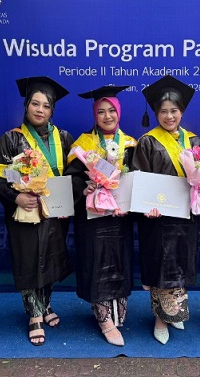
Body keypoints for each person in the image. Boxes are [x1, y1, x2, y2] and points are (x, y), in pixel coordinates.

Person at [0, 76, 73, 346]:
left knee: (51, 259)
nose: (40, 110)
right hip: (25, 213)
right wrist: (17, 197)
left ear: (52, 110)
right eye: (35, 104)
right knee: (28, 260)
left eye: (46, 106)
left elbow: (74, 174)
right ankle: (34, 315)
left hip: (54, 213)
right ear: (26, 106)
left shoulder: (64, 138)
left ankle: (45, 304)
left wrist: (68, 201)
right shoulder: (11, 139)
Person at [131, 75, 200, 345]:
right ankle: (161, 319)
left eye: (174, 111)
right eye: (163, 111)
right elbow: (139, 180)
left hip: (185, 216)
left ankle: (175, 313)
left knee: (180, 265)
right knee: (162, 266)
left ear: (182, 112)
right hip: (158, 220)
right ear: (156, 113)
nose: (169, 116)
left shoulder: (195, 142)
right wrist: (145, 207)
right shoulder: (147, 142)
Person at [65, 85, 137, 347]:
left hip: (120, 215)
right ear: (95, 115)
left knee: (119, 259)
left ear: (119, 112)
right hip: (93, 216)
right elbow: (72, 177)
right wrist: (84, 187)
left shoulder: (131, 144)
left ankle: (117, 310)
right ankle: (104, 317)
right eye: (101, 112)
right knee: (97, 260)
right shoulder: (83, 145)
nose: (107, 116)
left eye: (111, 111)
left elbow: (136, 178)